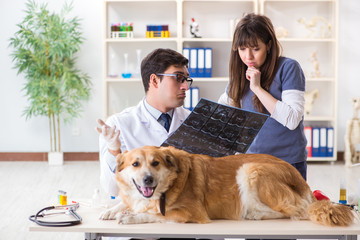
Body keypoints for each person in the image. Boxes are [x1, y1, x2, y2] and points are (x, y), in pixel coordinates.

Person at [218, 13, 307, 180]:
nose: (248, 56)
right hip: (252, 163)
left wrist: (257, 88)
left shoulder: (288, 68)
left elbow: (292, 119)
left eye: (255, 48)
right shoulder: (239, 78)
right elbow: (222, 112)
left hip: (286, 163)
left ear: (268, 45)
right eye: (242, 49)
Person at [96, 48, 192, 196]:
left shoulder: (193, 120)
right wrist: (114, 151)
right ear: (154, 80)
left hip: (185, 211)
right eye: (178, 78)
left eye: (186, 79)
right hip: (141, 214)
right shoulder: (119, 125)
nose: (185, 86)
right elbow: (112, 189)